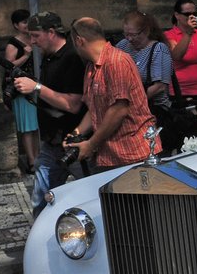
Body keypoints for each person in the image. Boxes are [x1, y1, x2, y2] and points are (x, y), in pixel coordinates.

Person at [11, 12, 87, 217]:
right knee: (40, 200)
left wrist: (36, 87)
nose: (32, 41)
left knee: (91, 195)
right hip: (51, 142)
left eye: (36, 35)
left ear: (51, 32)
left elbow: (73, 105)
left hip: (75, 143)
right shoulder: (49, 55)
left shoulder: (72, 57)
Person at [64, 18, 153, 170]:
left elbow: (119, 110)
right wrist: (76, 132)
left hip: (131, 154)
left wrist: (91, 144)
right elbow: (95, 108)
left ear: (79, 40)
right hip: (109, 156)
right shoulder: (92, 66)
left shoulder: (116, 61)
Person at [165, 0, 197, 133]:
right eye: (187, 14)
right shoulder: (169, 35)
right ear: (177, 15)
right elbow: (176, 56)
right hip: (184, 94)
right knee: (190, 134)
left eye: (195, 13)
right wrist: (187, 33)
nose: (192, 16)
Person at [115, 10, 172, 115]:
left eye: (133, 35)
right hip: (127, 108)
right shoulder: (123, 45)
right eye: (126, 34)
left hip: (153, 109)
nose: (129, 39)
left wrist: (131, 101)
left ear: (146, 31)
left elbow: (159, 87)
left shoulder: (159, 49)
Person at [4, 9, 39, 172]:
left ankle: (39, 158)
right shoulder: (14, 44)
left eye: (28, 21)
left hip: (37, 87)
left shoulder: (35, 38)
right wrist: (25, 55)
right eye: (24, 22)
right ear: (16, 25)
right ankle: (32, 161)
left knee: (37, 125)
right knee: (27, 128)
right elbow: (8, 66)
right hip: (22, 89)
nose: (27, 24)